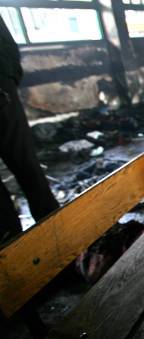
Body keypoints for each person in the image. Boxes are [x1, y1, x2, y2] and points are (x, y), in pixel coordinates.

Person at [0, 17, 59, 243]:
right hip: (3, 88)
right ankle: (57, 237)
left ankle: (14, 249)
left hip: (2, 88)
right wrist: (9, 78)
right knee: (28, 167)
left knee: (28, 168)